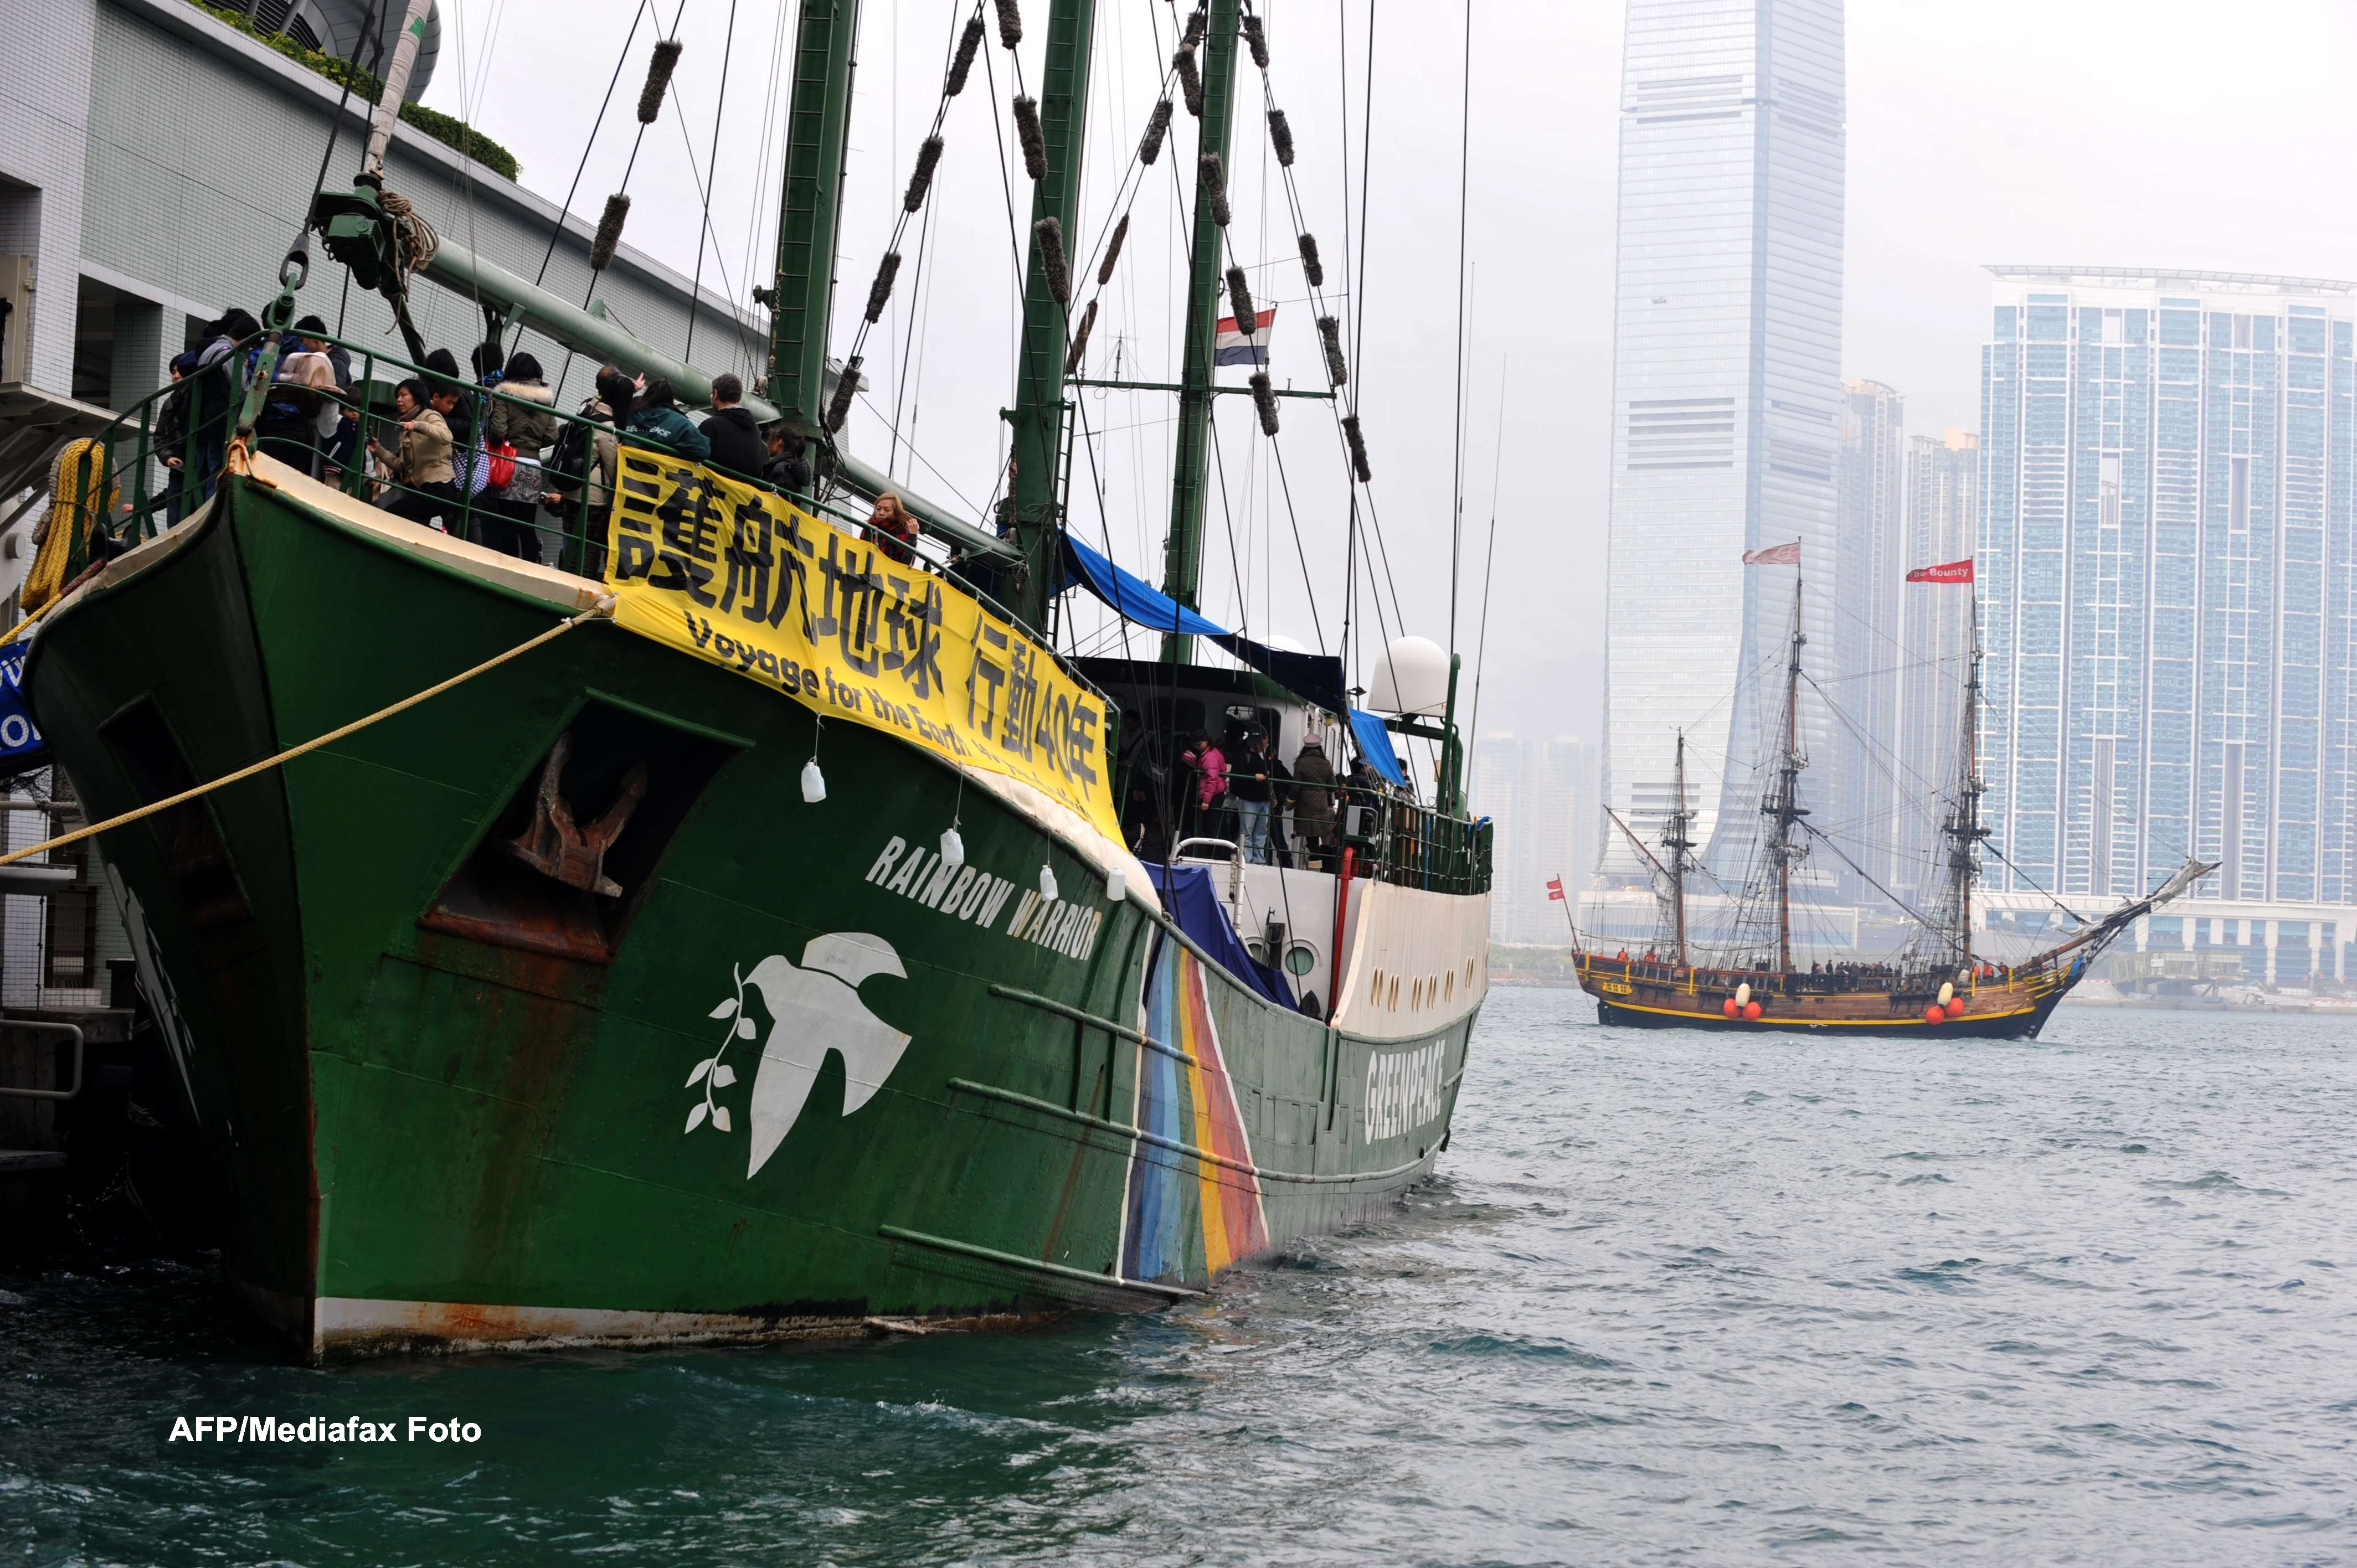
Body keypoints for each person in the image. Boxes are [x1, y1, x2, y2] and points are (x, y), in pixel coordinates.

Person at [547, 368, 627, 577]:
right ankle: (583, 581)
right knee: (589, 545)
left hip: (573, 487)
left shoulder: (585, 408)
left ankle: (564, 576)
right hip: (593, 496)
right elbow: (613, 464)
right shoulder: (607, 424)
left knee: (570, 538)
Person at [486, 351, 561, 561]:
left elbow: (498, 431)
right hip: (534, 464)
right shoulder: (545, 401)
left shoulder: (505, 395)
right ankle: (531, 567)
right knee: (527, 523)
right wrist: (534, 444)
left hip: (510, 463)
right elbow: (553, 436)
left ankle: (510, 566)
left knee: (508, 523)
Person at [369, 378, 456, 529]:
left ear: (417, 396)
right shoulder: (406, 426)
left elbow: (446, 436)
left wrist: (417, 425)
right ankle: (438, 539)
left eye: (404, 395)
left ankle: (440, 540)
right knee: (410, 522)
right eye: (397, 397)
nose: (399, 400)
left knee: (395, 513)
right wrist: (379, 450)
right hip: (423, 488)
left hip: (440, 487)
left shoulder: (429, 415)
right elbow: (402, 466)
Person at [1227, 730, 1289, 865]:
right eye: (1254, 743)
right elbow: (1237, 774)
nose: (1257, 746)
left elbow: (1275, 777)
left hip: (1265, 800)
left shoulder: (1270, 757)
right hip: (1248, 799)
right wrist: (1253, 776)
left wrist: (1274, 796)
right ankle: (1247, 860)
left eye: (1259, 743)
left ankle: (1259, 860)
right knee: (1247, 831)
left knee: (1262, 832)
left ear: (1267, 740)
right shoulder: (1244, 755)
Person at [624, 376, 711, 461]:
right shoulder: (678, 421)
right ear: (670, 398)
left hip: (623, 469)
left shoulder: (631, 410)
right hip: (655, 472)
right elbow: (703, 451)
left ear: (647, 394)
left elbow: (617, 400)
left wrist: (634, 389)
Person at [701, 373, 766, 478]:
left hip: (714, 491)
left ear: (716, 394)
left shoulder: (711, 426)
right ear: (739, 399)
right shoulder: (755, 431)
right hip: (746, 493)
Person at [1290, 730, 1337, 870]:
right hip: (1321, 802)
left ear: (1305, 748)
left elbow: (1295, 786)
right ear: (1319, 748)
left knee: (1311, 837)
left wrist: (1290, 800)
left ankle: (1315, 864)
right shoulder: (1326, 763)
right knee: (1318, 833)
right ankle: (1318, 865)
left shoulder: (1301, 763)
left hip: (1305, 803)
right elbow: (1333, 785)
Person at [1179, 731, 1226, 843]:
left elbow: (1212, 779)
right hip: (1215, 793)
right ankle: (1214, 853)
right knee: (1214, 827)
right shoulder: (1211, 753)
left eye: (1199, 744)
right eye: (1195, 745)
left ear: (1206, 741)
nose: (1197, 747)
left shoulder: (1209, 757)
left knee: (1211, 828)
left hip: (1213, 795)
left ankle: (1211, 855)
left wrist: (1206, 801)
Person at [867, 492, 919, 565]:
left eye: (887, 510)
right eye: (878, 509)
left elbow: (907, 563)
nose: (881, 513)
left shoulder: (901, 530)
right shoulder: (869, 528)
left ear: (895, 512)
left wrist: (913, 535)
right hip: (868, 572)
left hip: (889, 574)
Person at [764, 425, 813, 493]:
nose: (767, 444)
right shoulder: (792, 469)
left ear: (779, 441)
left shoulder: (781, 469)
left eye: (770, 439)